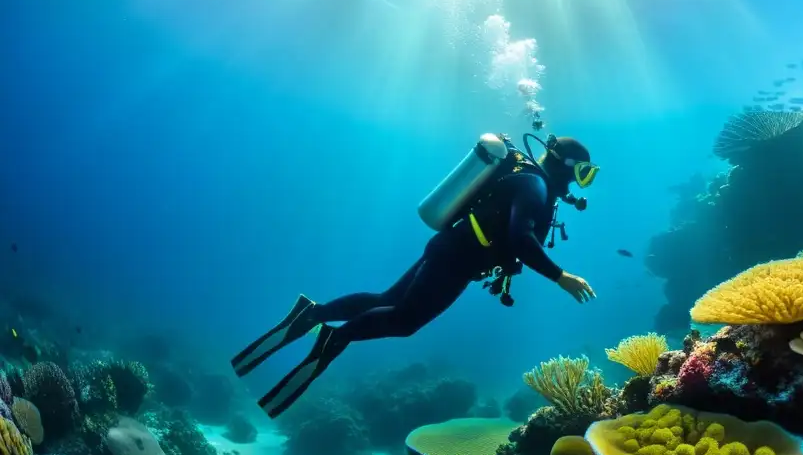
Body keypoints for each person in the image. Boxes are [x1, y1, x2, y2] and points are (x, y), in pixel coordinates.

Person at [232, 133, 599, 418]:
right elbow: (521, 238)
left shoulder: (525, 177)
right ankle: (332, 341)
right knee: (405, 320)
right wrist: (560, 276)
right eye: (582, 173)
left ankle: (311, 314)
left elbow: (510, 235)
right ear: (563, 165)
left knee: (385, 301)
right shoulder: (535, 186)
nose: (580, 184)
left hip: (449, 247)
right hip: (455, 259)